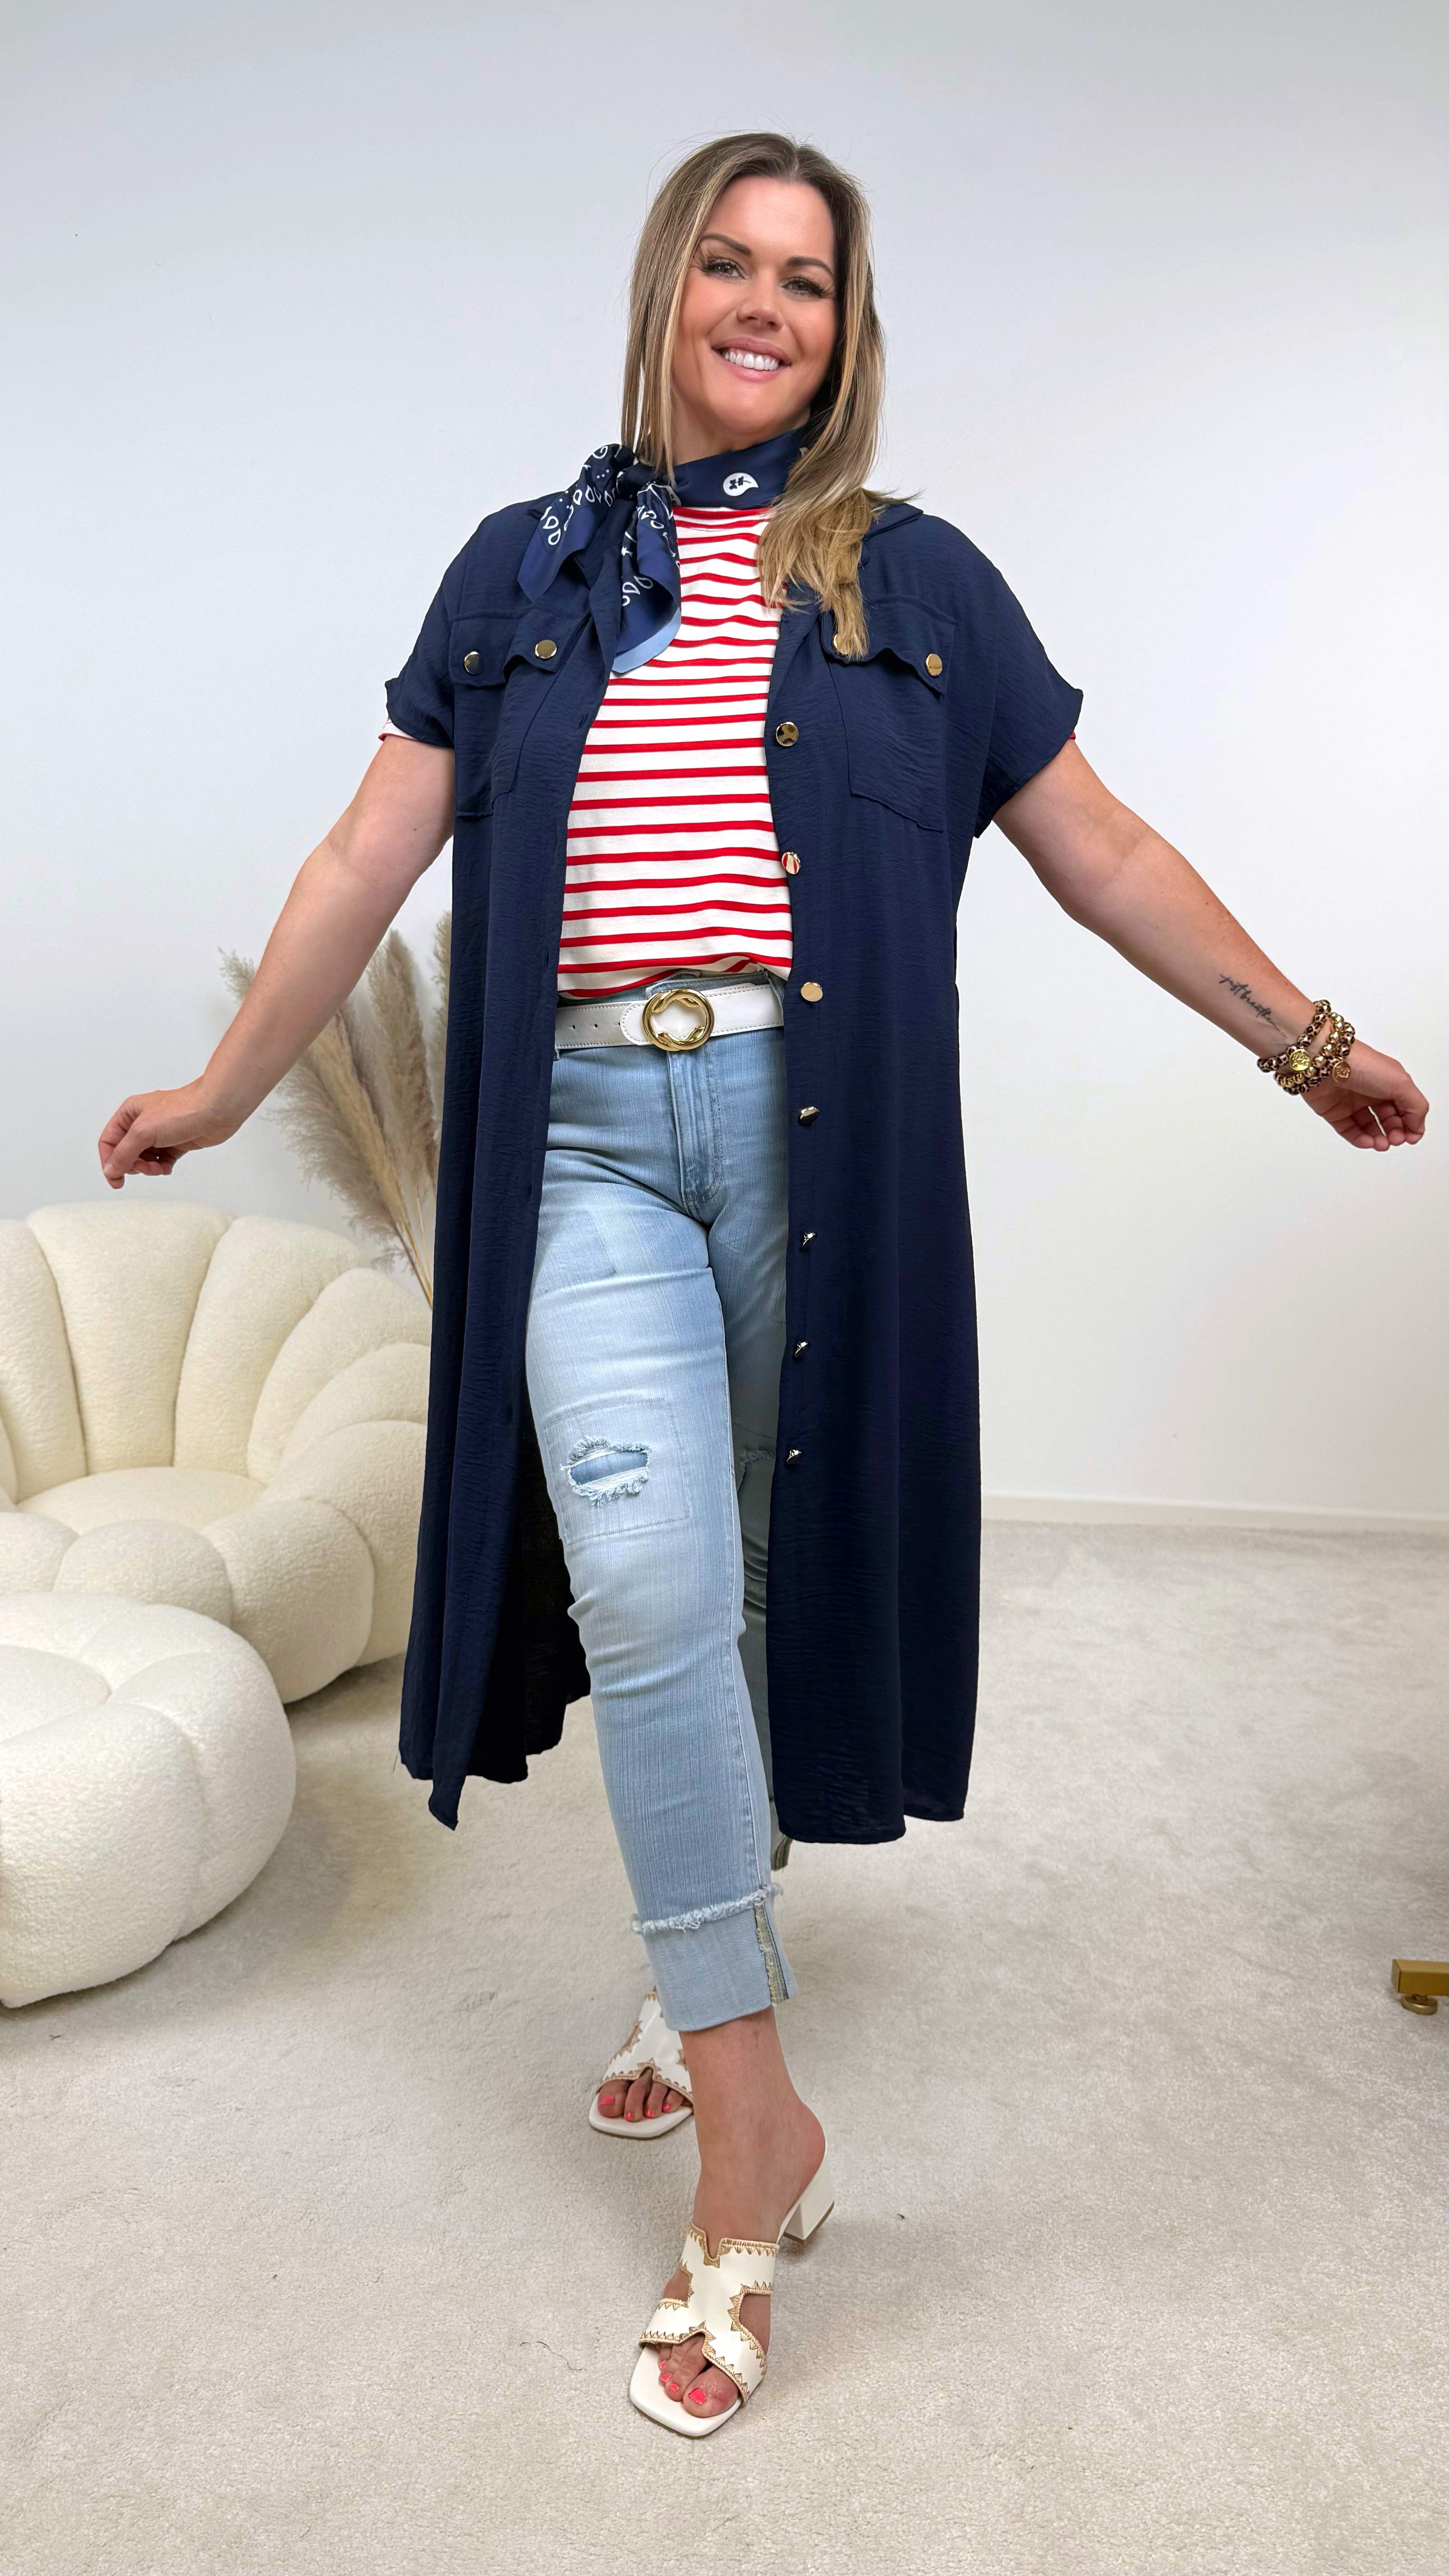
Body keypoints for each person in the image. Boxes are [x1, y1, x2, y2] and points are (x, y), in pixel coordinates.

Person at [99, 131, 1429, 2438]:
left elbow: (1101, 845)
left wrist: (1300, 1040)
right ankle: (753, 2127)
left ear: (846, 331)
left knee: (735, 1579)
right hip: (585, 1141)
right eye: (728, 262)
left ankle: (706, 1930)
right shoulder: (522, 572)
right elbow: (364, 850)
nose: (763, 305)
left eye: (807, 281)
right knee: (641, 1575)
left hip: (815, 1143)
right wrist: (224, 1089)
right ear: (665, 287)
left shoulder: (913, 580)